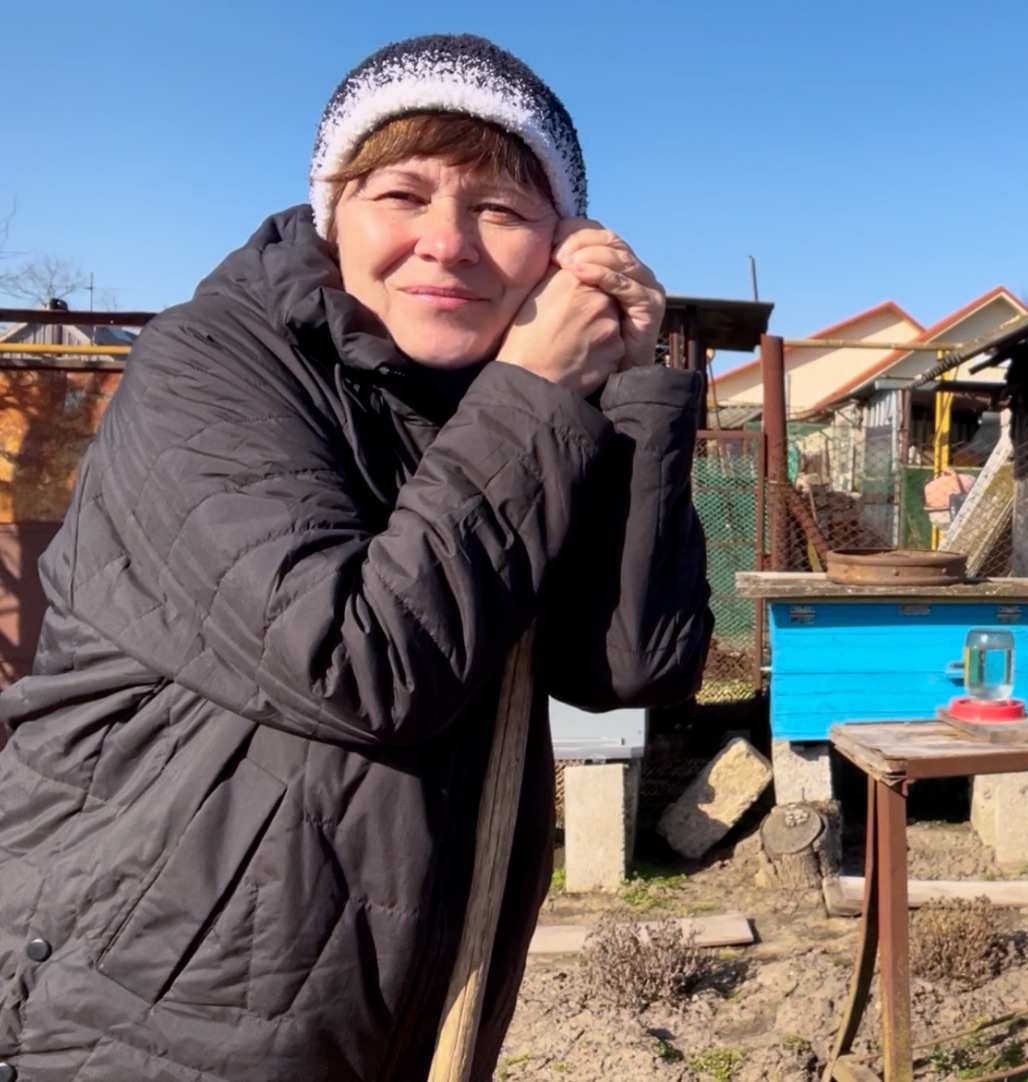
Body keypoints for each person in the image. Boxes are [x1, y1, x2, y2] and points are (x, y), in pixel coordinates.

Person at [0, 34, 712, 1081]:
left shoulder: (510, 404)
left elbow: (627, 664)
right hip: (137, 1015)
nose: (448, 242)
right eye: (404, 194)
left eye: (501, 210)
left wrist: (638, 396)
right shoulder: (212, 366)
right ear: (336, 210)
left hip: (385, 1015)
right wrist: (536, 392)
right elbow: (359, 664)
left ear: (565, 248)